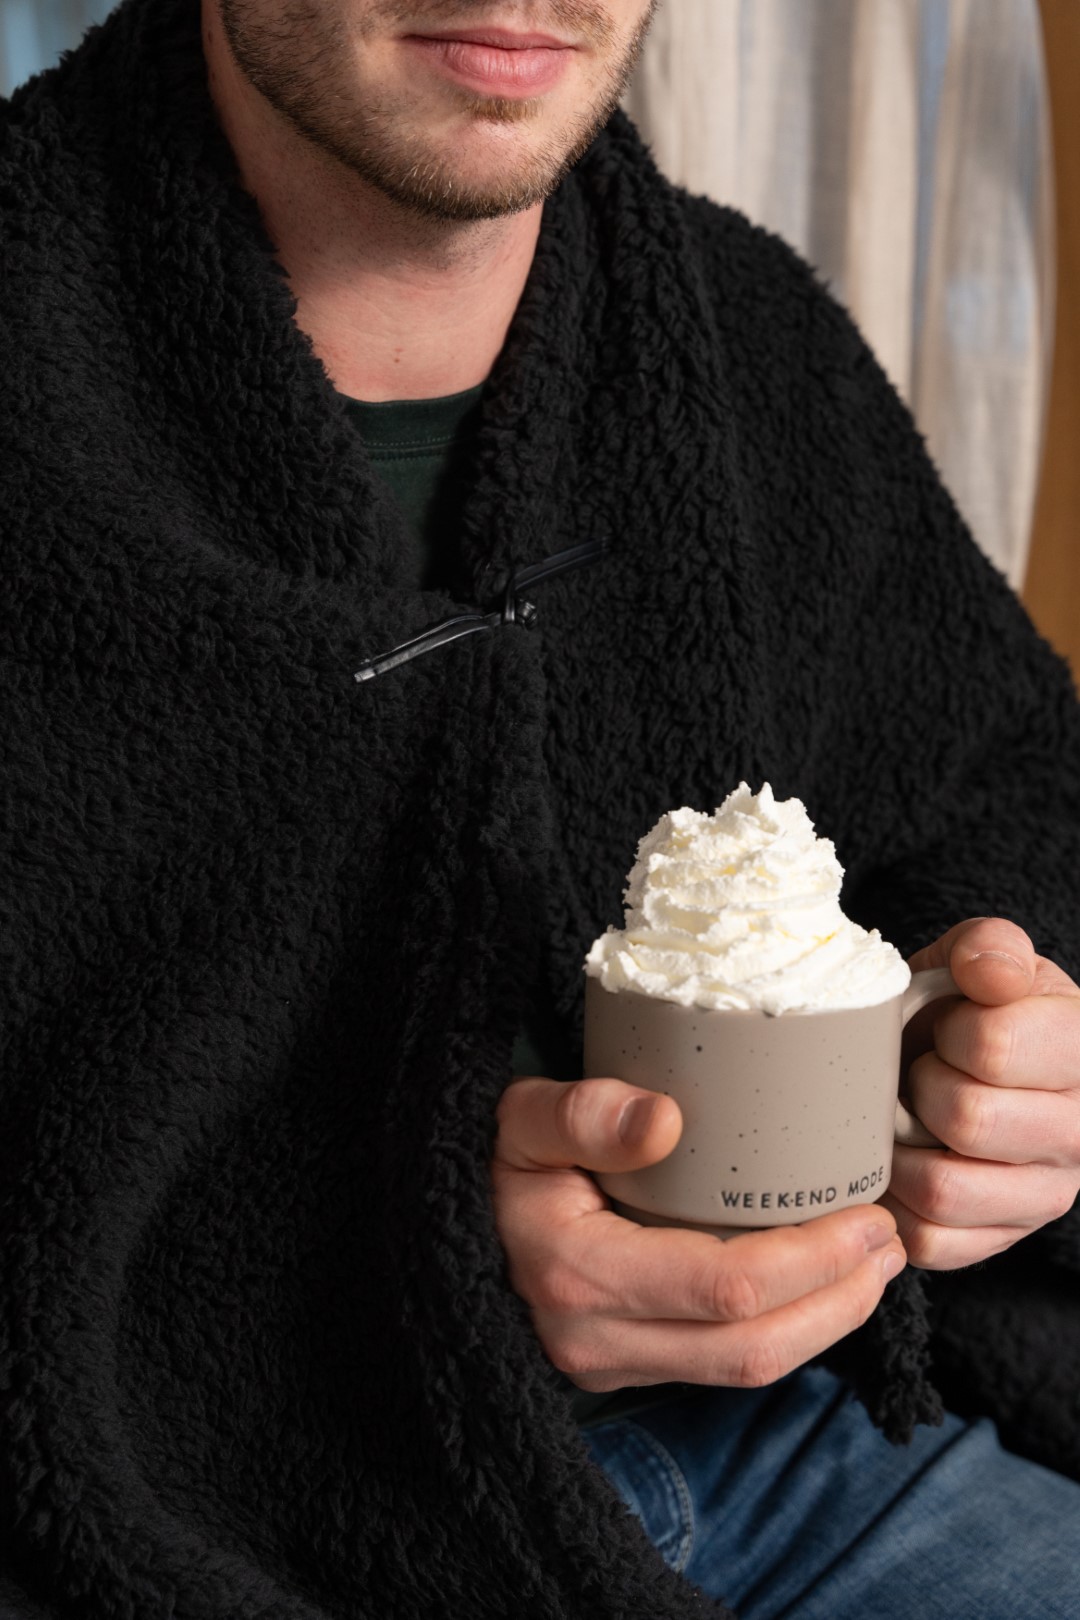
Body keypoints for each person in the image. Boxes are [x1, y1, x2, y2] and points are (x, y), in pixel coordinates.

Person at [1, 2, 1078, 1617]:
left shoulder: (745, 341)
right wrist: (401, 1278)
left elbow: (1010, 802)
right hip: (186, 1519)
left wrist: (1013, 1068)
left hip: (796, 1453)